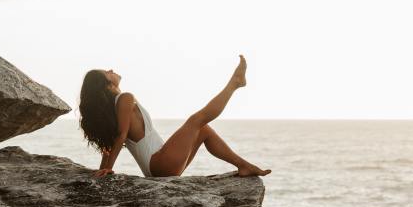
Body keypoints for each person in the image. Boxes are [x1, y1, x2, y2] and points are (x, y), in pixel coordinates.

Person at [78, 55, 271, 179]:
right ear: (105, 85)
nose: (111, 70)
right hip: (160, 165)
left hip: (160, 167)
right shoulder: (124, 98)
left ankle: (243, 165)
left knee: (203, 129)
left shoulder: (116, 105)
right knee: (197, 119)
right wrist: (109, 168)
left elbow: (111, 142)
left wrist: (103, 169)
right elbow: (120, 135)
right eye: (106, 72)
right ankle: (235, 83)